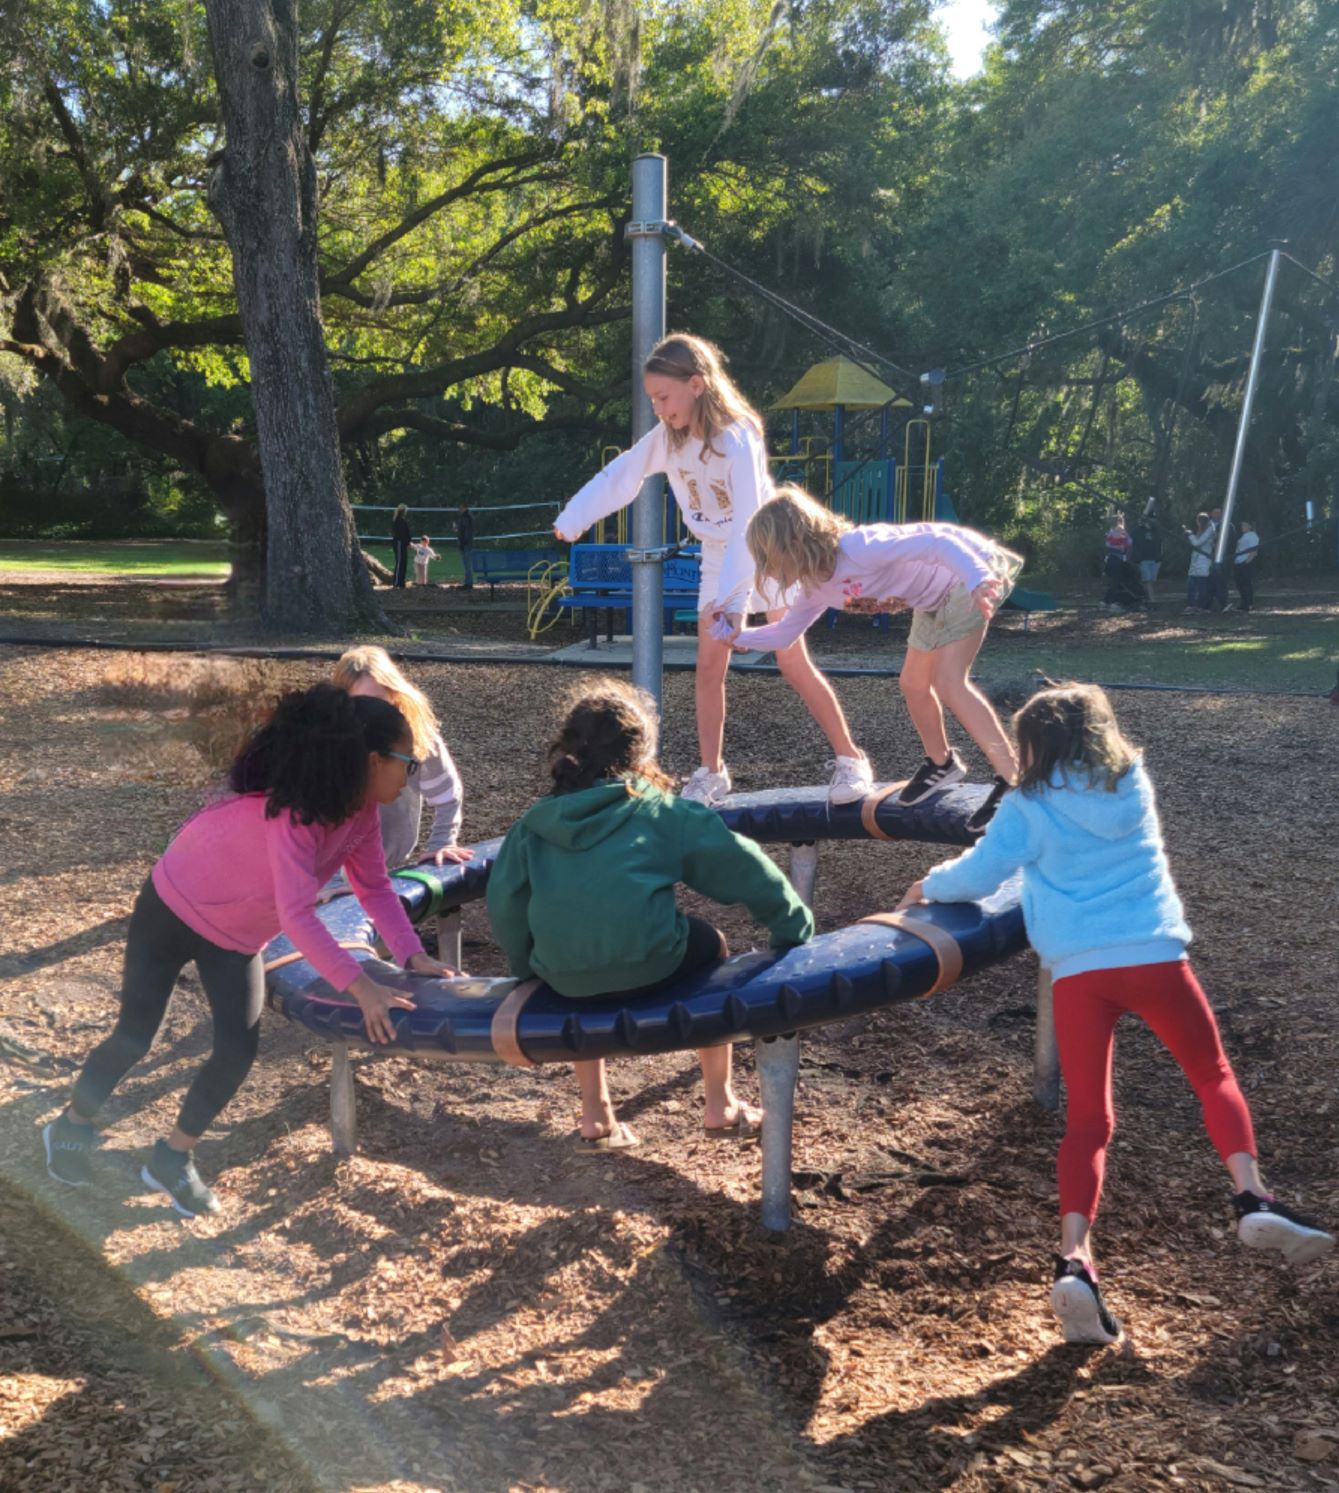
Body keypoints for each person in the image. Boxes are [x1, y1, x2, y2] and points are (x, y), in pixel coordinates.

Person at [897, 683, 1333, 1344]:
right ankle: (1250, 1195)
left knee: (1088, 1121)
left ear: (1030, 745)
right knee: (1211, 1073)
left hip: (1079, 970)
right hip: (1154, 956)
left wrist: (925, 885)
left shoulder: (1026, 805)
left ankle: (1074, 1259)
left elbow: (979, 874)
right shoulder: (1130, 783)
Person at [41, 685, 455, 1217]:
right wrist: (362, 986)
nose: (412, 772)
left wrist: (410, 954)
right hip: (172, 908)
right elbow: (297, 915)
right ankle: (71, 1126)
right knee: (134, 1037)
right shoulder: (296, 817)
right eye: (408, 762)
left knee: (237, 1051)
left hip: (235, 938)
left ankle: (171, 1159)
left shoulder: (362, 814)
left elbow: (375, 887)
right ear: (374, 762)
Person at [486, 678, 814, 1149]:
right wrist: (791, 926)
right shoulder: (661, 812)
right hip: (653, 964)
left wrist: (528, 970)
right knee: (713, 943)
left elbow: (505, 903)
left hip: (563, 978)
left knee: (579, 945)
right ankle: (719, 1101)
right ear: (639, 755)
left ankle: (594, 1113)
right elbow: (745, 866)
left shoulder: (533, 825)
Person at [552, 332, 873, 807]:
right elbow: (622, 473)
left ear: (697, 384)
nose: (659, 408)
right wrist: (574, 517)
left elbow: (747, 522)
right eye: (653, 400)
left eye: (664, 397)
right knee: (709, 664)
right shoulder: (669, 438)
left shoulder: (737, 437)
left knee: (790, 658)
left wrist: (734, 602)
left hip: (767, 551)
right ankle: (711, 771)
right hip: (719, 552)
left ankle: (851, 759)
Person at [721, 485, 1024, 834]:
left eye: (769, 559)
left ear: (794, 545)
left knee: (949, 681)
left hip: (968, 577)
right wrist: (738, 638)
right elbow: (785, 634)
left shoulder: (859, 547)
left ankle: (1013, 780)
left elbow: (938, 541)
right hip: (932, 602)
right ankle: (942, 763)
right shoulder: (816, 587)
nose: (768, 570)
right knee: (912, 683)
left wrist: (977, 577)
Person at [332, 646, 470, 870]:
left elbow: (447, 795)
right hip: (333, 868)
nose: (371, 712)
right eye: (359, 703)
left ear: (394, 696)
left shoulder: (416, 737)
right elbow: (312, 823)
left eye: (378, 701)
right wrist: (332, 878)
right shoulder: (328, 744)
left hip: (388, 860)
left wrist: (441, 843)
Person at [1129, 504, 1163, 608]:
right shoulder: (1138, 530)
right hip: (1143, 559)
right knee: (1147, 580)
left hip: (1155, 559)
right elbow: (1131, 541)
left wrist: (1160, 558)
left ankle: (1146, 598)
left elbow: (1160, 544)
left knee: (1151, 580)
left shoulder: (1156, 531)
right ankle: (1152, 600)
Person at [1208, 506, 1238, 611]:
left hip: (1223, 558)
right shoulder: (1207, 525)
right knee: (1210, 580)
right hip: (1210, 557)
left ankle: (1222, 603)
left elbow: (1231, 542)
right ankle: (1209, 604)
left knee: (1221, 581)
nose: (1217, 515)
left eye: (1219, 513)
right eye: (1215, 513)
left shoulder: (1228, 526)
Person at [1183, 512, 1214, 612]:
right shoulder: (1200, 531)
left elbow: (1197, 543)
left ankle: (1202, 606)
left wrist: (1190, 535)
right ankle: (1191, 605)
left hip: (1203, 561)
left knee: (1202, 586)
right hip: (1196, 561)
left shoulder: (1209, 530)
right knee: (1191, 585)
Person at [1230, 520, 1259, 612]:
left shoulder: (1252, 535)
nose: (1243, 527)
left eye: (1245, 525)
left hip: (1245, 562)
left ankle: (1249, 603)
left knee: (1246, 583)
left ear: (1250, 526)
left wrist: (1247, 561)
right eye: (1242, 525)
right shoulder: (1242, 536)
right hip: (1238, 562)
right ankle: (1243, 603)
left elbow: (1254, 550)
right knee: (1240, 584)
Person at [391, 503, 412, 589]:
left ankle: (401, 582)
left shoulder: (402, 521)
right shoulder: (398, 521)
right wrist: (407, 542)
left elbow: (407, 533)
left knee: (404, 562)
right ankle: (396, 583)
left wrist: (408, 543)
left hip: (403, 544)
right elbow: (401, 534)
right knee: (399, 563)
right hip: (399, 543)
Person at [456, 502, 475, 591]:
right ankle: (468, 582)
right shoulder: (467, 516)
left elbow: (466, 531)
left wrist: (463, 542)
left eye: (459, 507)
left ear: (463, 506)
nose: (458, 509)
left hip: (466, 544)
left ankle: (469, 583)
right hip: (466, 543)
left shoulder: (466, 517)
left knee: (467, 564)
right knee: (467, 564)